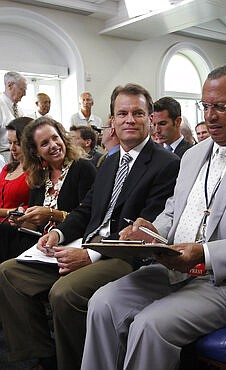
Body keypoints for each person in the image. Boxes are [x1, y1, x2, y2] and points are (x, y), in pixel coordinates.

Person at [80, 62, 226, 370]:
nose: (210, 116)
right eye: (205, 106)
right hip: (173, 268)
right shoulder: (192, 155)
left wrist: (204, 253)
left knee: (150, 325)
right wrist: (149, 232)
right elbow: (173, 212)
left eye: (221, 106)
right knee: (102, 303)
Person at [0, 84, 180, 370]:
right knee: (9, 272)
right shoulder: (109, 162)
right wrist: (56, 234)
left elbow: (146, 231)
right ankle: (45, 357)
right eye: (122, 113)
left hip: (126, 258)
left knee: (64, 293)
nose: (129, 120)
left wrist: (91, 255)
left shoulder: (167, 164)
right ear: (112, 120)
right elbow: (86, 210)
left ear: (149, 118)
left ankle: (73, 364)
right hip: (85, 243)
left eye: (138, 113)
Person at [0, 116, 96, 264]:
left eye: (55, 138)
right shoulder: (39, 175)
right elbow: (34, 226)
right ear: (36, 152)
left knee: (6, 267)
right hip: (40, 243)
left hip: (70, 243)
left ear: (63, 138)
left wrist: (51, 214)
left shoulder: (82, 168)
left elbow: (89, 217)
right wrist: (22, 220)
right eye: (44, 143)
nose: (53, 145)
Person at [0, 117, 32, 222]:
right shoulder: (7, 168)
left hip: (15, 229)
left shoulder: (38, 171)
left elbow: (33, 208)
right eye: (10, 143)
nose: (12, 148)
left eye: (18, 144)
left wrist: (7, 212)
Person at [0, 72, 27, 162]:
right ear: (10, 85)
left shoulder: (19, 110)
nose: (24, 94)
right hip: (4, 157)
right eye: (22, 89)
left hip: (20, 156)